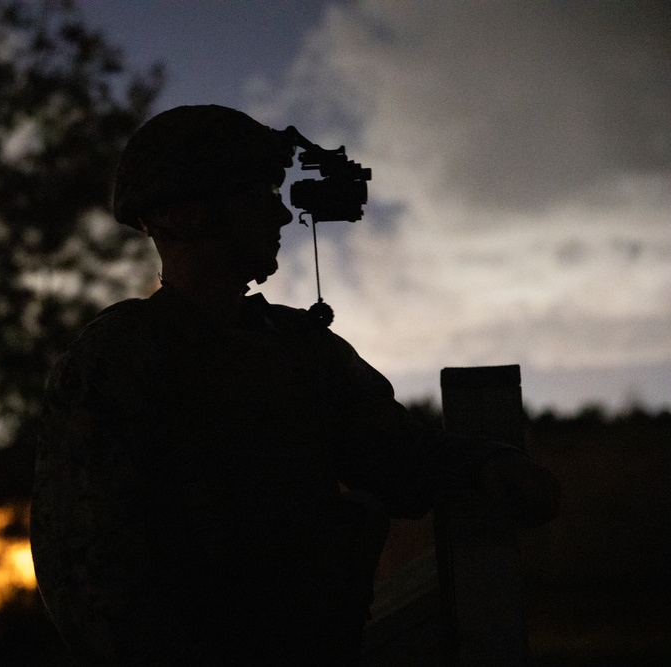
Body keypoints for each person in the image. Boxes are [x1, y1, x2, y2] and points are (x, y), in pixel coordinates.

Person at [31, 104, 559, 666]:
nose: (283, 214)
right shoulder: (114, 362)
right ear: (190, 214)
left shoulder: (301, 351)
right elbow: (88, 579)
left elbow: (396, 455)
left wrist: (487, 463)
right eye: (259, 192)